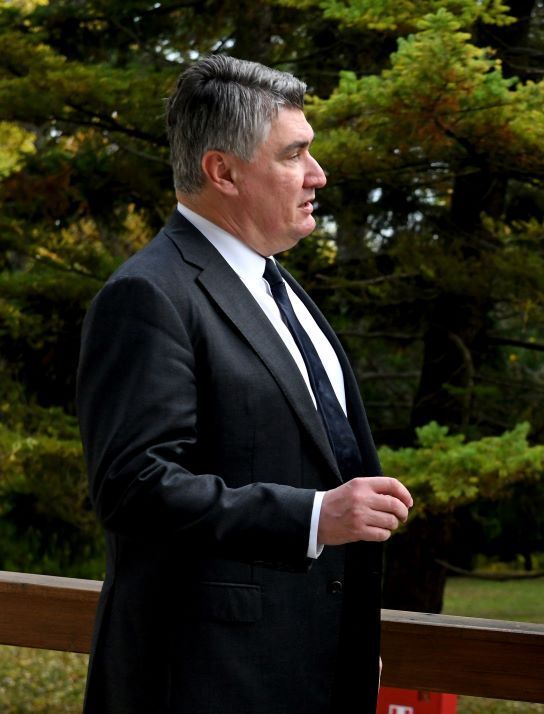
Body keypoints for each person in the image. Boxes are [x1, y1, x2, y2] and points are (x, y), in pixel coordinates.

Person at [76, 55, 413, 713]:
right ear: (222, 171)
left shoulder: (279, 286)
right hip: (206, 684)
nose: (318, 174)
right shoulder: (147, 294)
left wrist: (346, 641)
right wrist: (313, 516)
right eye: (294, 154)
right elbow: (133, 486)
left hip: (316, 670)